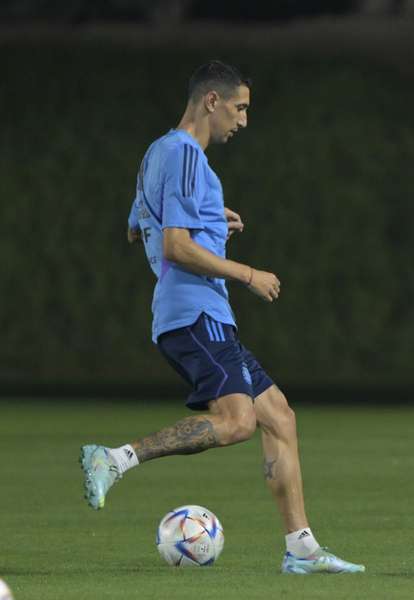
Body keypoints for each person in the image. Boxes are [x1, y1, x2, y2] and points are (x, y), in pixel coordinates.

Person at [79, 60, 364, 575]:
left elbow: (137, 229)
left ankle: (301, 550)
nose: (243, 120)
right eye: (240, 107)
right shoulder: (188, 155)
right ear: (212, 101)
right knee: (237, 422)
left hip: (190, 313)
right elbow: (176, 246)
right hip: (195, 312)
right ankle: (115, 458)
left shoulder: (156, 152)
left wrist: (211, 220)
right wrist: (247, 272)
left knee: (279, 414)